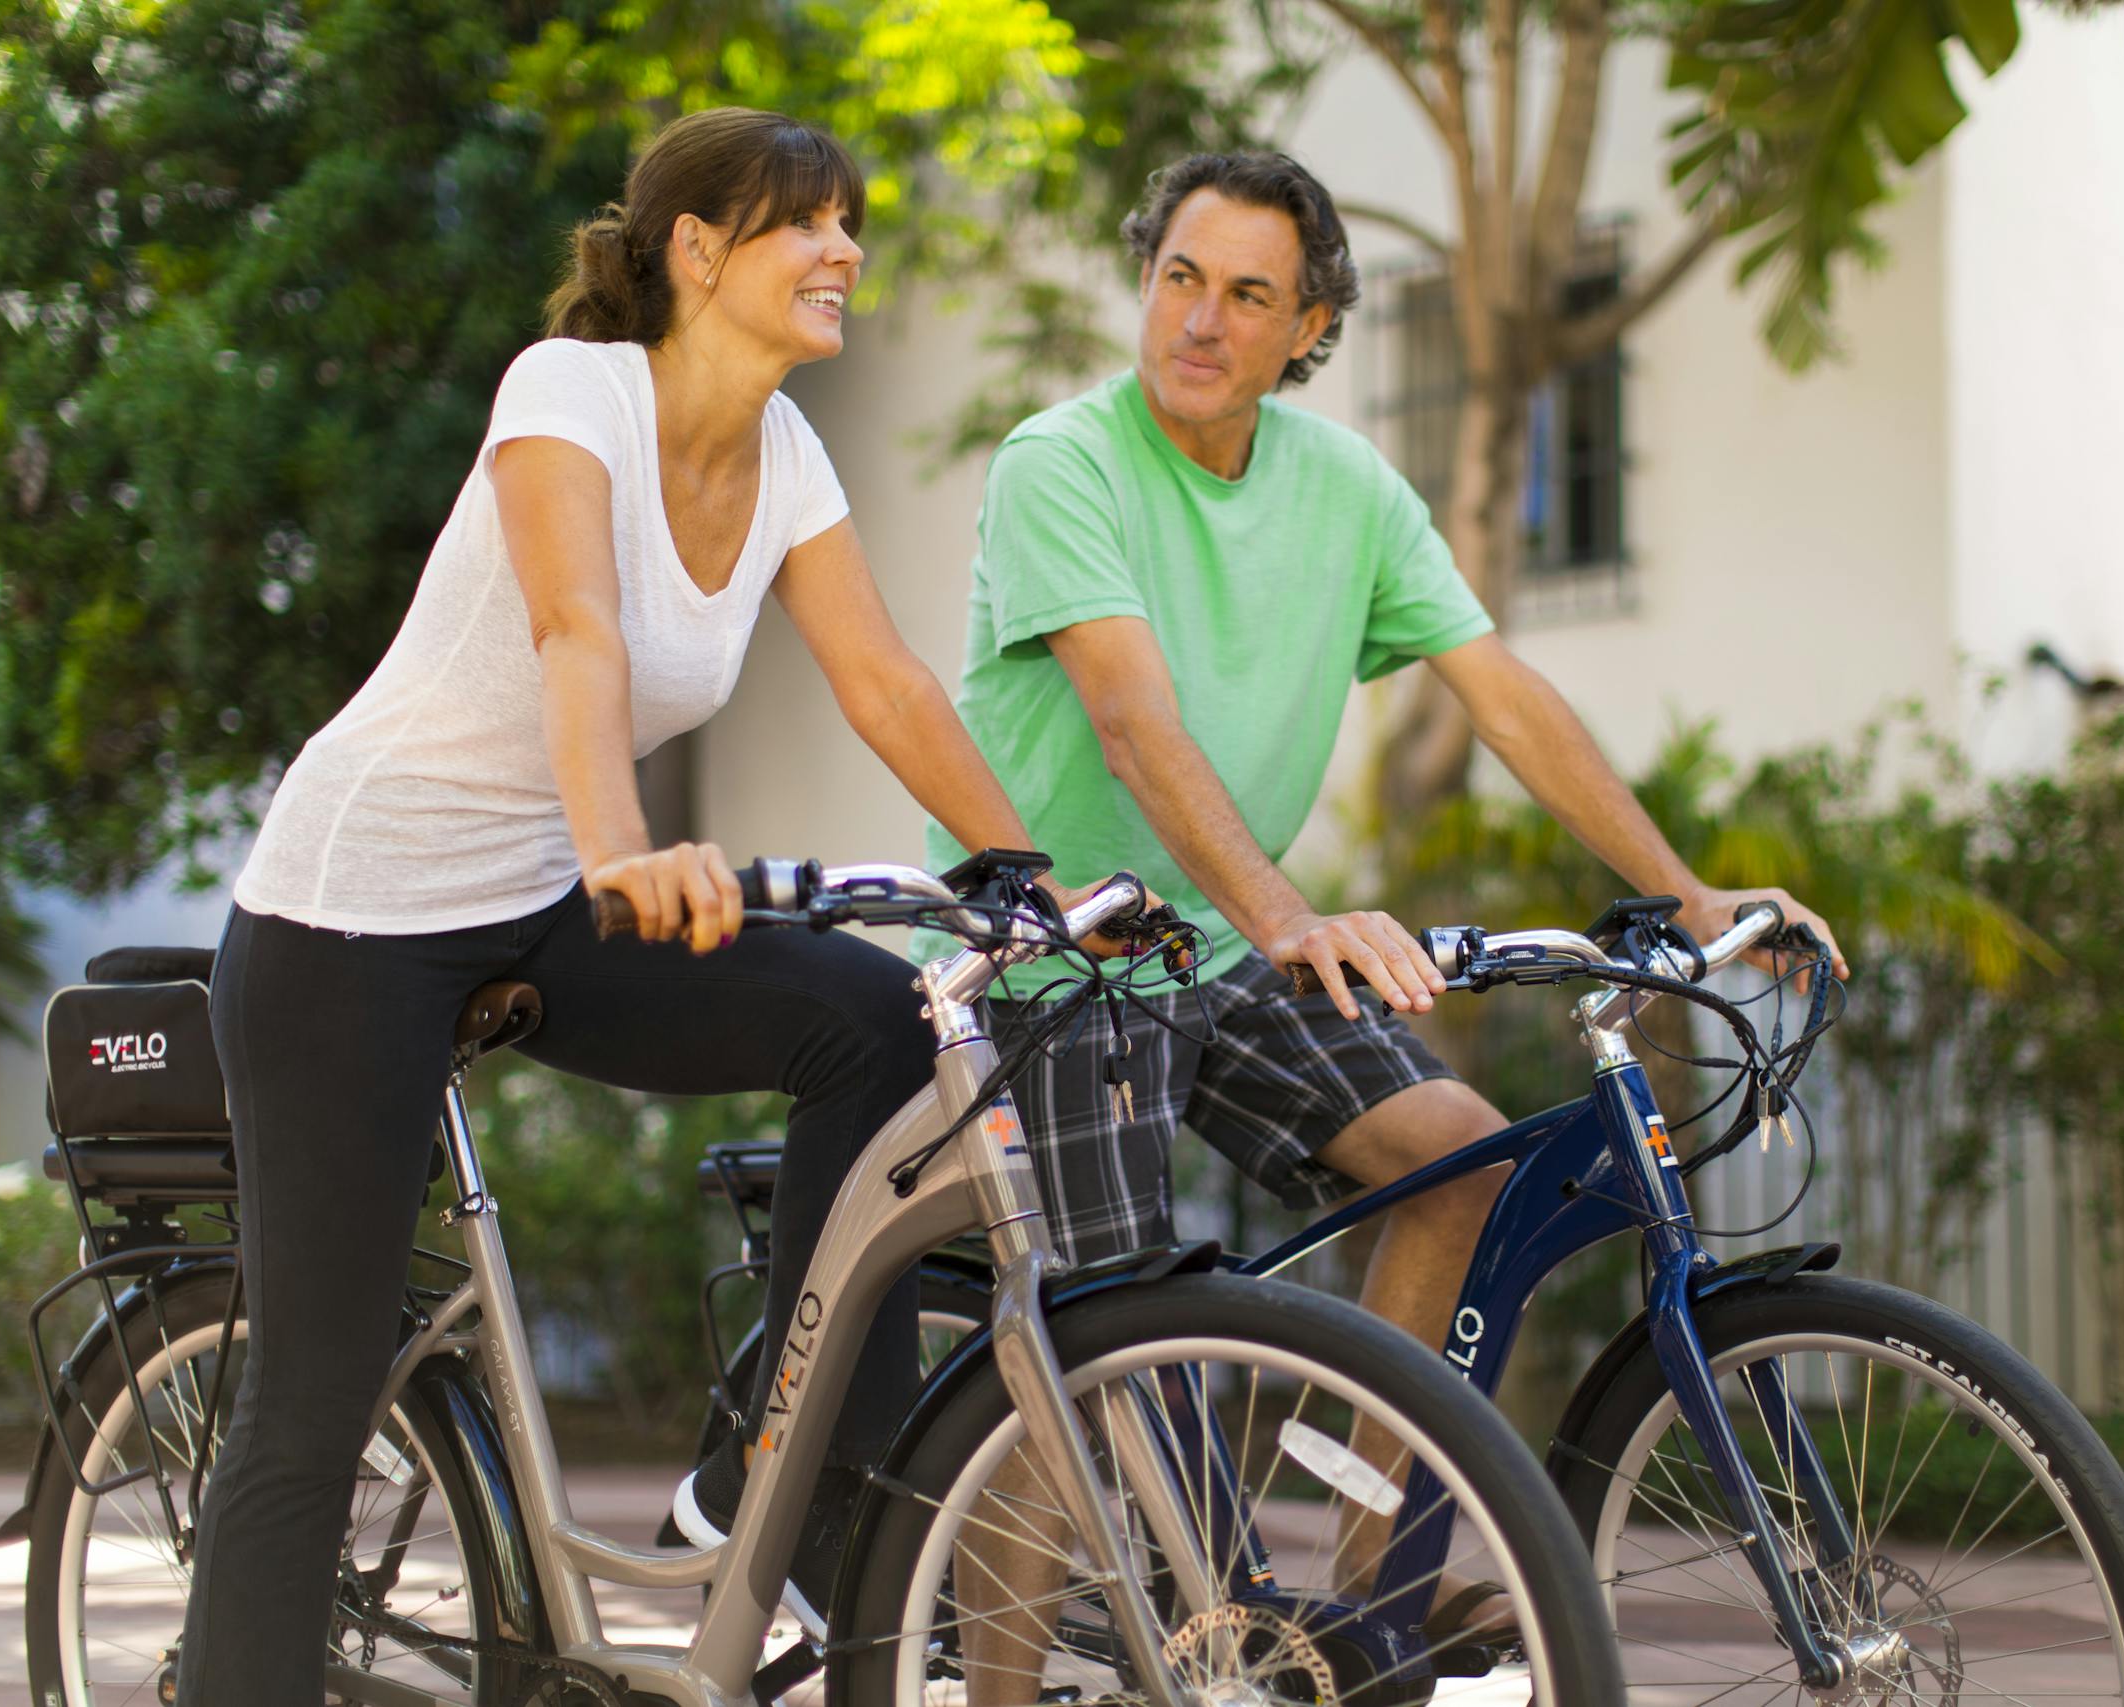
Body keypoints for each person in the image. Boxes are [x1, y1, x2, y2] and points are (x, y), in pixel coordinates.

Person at [177, 109, 1111, 1703]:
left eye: (850, 224)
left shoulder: (789, 455)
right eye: (806, 225)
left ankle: (788, 1494)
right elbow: (574, 630)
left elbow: (881, 677)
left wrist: (1025, 878)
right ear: (698, 249)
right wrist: (620, 846)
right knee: (313, 1398)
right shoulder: (571, 391)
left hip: (540, 901)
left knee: (877, 1021)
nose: (846, 253)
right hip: (357, 915)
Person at [920, 151, 1848, 1684]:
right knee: (1091, 1355)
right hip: (1054, 967)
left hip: (1212, 948)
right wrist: (1290, 917)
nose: (1202, 322)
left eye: (1251, 296)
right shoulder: (1061, 461)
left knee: (1458, 1165)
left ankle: (1364, 1606)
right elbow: (1136, 727)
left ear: (1312, 329)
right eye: (1181, 279)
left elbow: (1502, 693)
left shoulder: (1343, 486)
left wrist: (1684, 892)